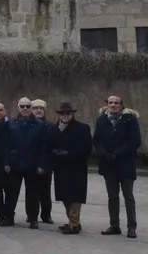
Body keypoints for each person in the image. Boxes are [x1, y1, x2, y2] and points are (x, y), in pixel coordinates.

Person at [94, 95, 141, 239]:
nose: (113, 105)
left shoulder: (130, 120)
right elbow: (96, 140)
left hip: (125, 164)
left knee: (128, 197)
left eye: (116, 103)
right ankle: (114, 225)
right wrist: (104, 154)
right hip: (108, 165)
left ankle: (131, 227)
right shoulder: (101, 120)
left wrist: (117, 154)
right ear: (107, 104)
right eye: (110, 103)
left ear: (121, 105)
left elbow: (135, 141)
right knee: (112, 197)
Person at [46, 102, 92, 234]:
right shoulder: (53, 128)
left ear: (72, 114)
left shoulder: (82, 128)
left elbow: (87, 148)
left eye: (68, 113)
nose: (65, 115)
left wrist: (68, 153)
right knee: (65, 196)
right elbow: (48, 145)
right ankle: (73, 221)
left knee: (75, 196)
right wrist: (54, 154)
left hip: (76, 167)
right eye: (62, 113)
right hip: (60, 167)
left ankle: (74, 224)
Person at [4, 97, 47, 229]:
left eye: (28, 106)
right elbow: (5, 145)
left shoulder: (40, 125)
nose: (25, 109)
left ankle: (33, 218)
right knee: (11, 193)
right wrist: (6, 162)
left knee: (33, 193)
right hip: (15, 163)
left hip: (33, 163)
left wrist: (42, 164)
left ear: (31, 108)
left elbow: (44, 147)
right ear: (18, 107)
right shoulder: (10, 123)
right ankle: (9, 217)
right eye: (22, 106)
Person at [31, 99, 54, 224]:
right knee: (31, 191)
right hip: (30, 162)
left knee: (45, 191)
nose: (38, 111)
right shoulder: (28, 124)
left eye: (41, 108)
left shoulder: (50, 126)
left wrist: (45, 164)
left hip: (46, 162)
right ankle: (31, 214)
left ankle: (46, 214)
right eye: (35, 108)